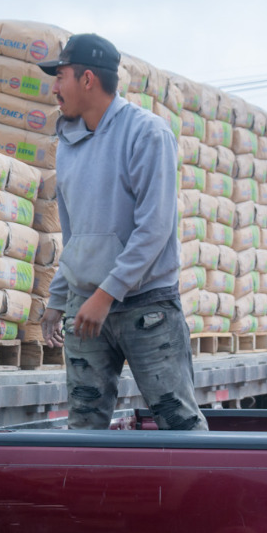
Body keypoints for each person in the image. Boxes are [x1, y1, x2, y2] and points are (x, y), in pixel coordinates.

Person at [38, 34, 208, 431]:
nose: (54, 87)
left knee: (178, 420)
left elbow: (154, 229)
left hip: (146, 308)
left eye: (60, 76)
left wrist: (106, 295)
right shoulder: (68, 143)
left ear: (87, 80)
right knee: (84, 425)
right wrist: (59, 296)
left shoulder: (147, 134)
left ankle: (195, 493)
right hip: (85, 309)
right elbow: (75, 235)